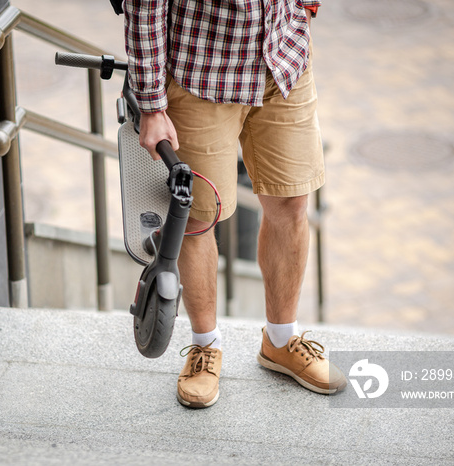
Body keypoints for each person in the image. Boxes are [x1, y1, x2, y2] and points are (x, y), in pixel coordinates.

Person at [124, 0, 347, 408]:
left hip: (283, 59)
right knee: (197, 217)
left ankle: (280, 340)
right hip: (203, 69)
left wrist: (305, 10)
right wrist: (152, 101)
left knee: (292, 202)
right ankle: (204, 347)